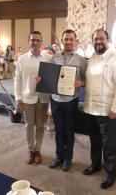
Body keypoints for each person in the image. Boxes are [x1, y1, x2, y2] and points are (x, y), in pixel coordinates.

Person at [83, 29, 116, 189]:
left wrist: (115, 108)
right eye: (95, 39)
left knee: (110, 146)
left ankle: (111, 174)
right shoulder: (93, 58)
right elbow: (90, 81)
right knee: (95, 141)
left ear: (108, 40)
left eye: (101, 38)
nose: (98, 41)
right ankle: (96, 165)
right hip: (91, 109)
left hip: (109, 111)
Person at [48, 29, 87, 172]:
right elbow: (50, 77)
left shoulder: (81, 60)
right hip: (56, 99)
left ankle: (68, 159)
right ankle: (59, 156)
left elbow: (87, 80)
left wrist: (81, 83)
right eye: (66, 39)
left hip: (71, 101)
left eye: (71, 39)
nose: (69, 42)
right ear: (62, 41)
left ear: (76, 41)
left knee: (69, 131)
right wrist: (43, 80)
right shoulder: (55, 57)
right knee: (58, 130)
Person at [14, 31, 51, 165]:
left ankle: (38, 150)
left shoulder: (47, 58)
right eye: (32, 40)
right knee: (29, 126)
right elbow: (17, 80)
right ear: (28, 41)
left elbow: (51, 78)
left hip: (43, 98)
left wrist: (44, 79)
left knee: (40, 126)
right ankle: (31, 150)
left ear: (41, 41)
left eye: (37, 40)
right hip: (27, 97)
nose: (35, 42)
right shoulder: (22, 59)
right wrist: (18, 98)